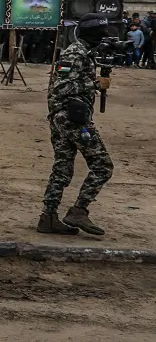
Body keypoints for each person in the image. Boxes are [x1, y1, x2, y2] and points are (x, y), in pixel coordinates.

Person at [40, 13, 116, 235]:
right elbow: (61, 87)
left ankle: (48, 218)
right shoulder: (75, 53)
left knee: (62, 169)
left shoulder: (83, 52)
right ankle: (79, 211)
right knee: (102, 166)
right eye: (101, 34)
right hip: (71, 119)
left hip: (64, 117)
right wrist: (95, 84)